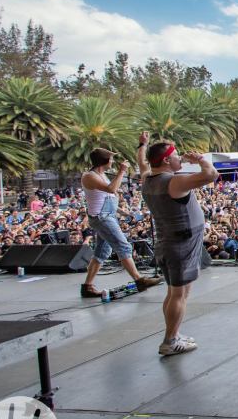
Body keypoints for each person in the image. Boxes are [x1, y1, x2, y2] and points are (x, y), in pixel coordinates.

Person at [138, 132, 218, 357]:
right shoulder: (174, 181)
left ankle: (174, 333)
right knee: (179, 294)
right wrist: (200, 160)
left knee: (174, 292)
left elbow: (142, 163)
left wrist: (142, 145)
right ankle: (170, 341)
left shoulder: (147, 178)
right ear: (165, 161)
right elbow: (211, 175)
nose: (179, 159)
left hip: (168, 241)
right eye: (175, 156)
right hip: (181, 243)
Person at [79, 148, 161, 298]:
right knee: (123, 246)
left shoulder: (100, 174)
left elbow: (103, 198)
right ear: (104, 161)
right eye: (110, 159)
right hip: (101, 218)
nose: (112, 162)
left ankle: (87, 286)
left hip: (106, 215)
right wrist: (122, 171)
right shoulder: (89, 176)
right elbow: (111, 189)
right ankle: (139, 280)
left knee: (102, 252)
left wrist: (123, 212)